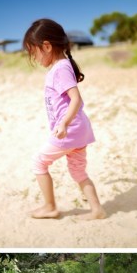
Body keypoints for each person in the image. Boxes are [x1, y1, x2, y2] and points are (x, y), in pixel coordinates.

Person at [22, 18, 106, 220]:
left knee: (39, 162)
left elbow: (76, 99)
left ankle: (50, 206)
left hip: (71, 129)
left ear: (47, 46)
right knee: (78, 171)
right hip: (78, 130)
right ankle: (97, 210)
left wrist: (63, 123)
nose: (33, 57)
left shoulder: (60, 68)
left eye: (33, 52)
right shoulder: (62, 66)